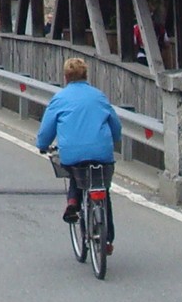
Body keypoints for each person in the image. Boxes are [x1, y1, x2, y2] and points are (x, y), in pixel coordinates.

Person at [35, 57, 124, 246]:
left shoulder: (59, 98)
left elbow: (46, 131)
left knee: (76, 173)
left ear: (66, 77)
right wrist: (114, 140)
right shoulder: (99, 96)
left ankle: (73, 202)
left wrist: (42, 146)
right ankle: (107, 240)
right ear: (86, 75)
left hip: (72, 154)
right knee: (103, 189)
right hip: (102, 153)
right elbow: (115, 126)